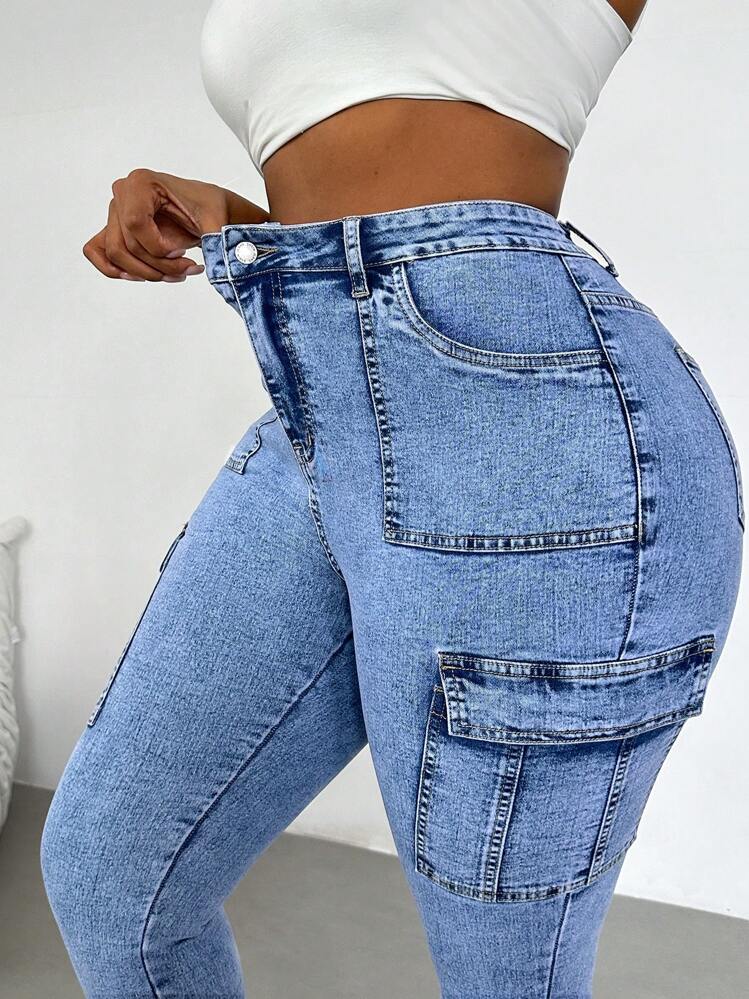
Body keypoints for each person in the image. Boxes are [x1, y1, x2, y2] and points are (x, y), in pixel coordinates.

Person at [40, 2, 743, 997]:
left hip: (527, 436)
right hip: (319, 411)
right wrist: (242, 221)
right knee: (112, 872)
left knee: (503, 982)